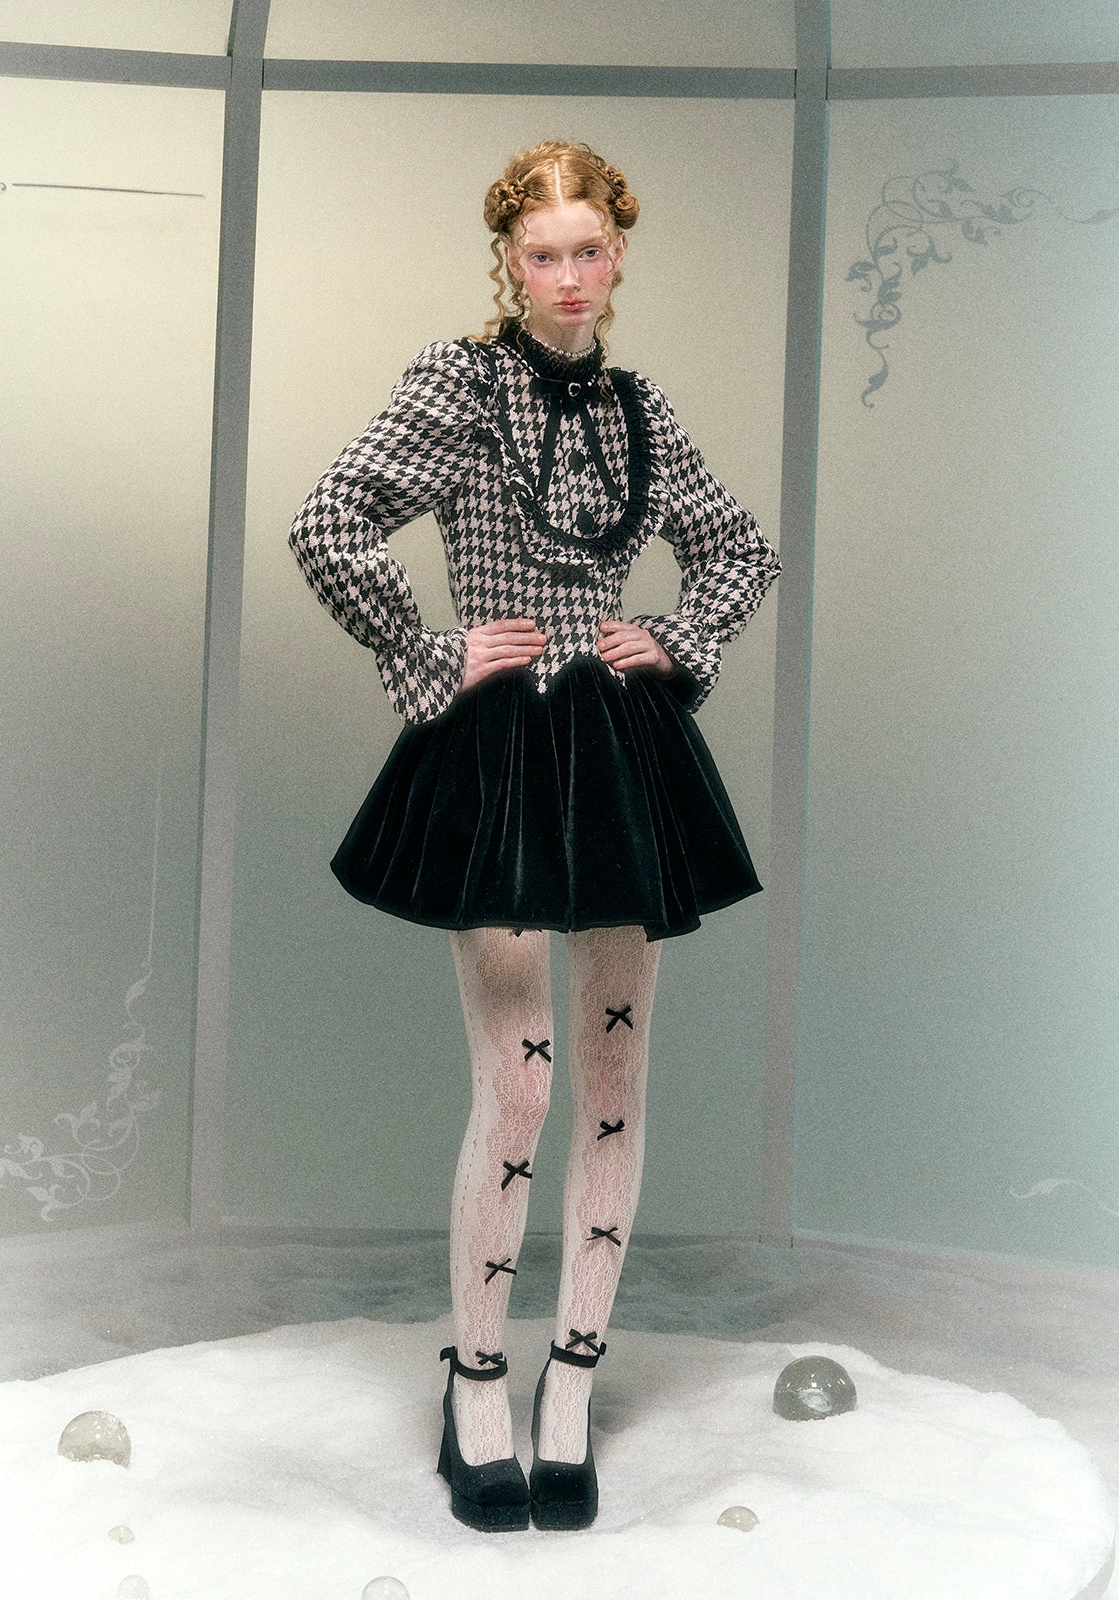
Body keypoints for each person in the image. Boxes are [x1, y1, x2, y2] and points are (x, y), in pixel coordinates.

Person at [288, 139, 780, 1534]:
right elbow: (329, 522)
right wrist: (427, 651)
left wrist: (675, 635)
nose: (568, 275)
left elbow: (739, 547)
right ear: (509, 259)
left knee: (614, 1080)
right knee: (519, 1087)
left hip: (617, 756)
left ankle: (574, 1383)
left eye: (590, 250)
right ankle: (478, 1384)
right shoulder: (459, 383)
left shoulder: (639, 409)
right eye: (543, 252)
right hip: (501, 753)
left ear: (620, 255)